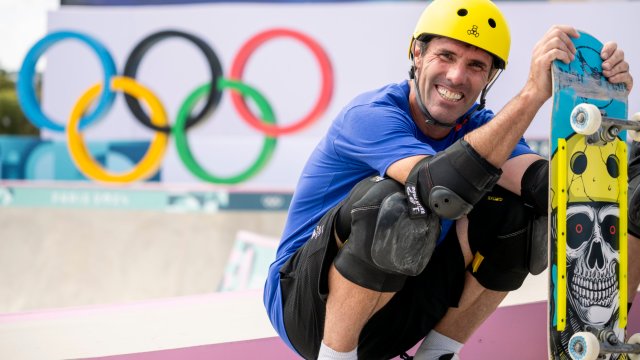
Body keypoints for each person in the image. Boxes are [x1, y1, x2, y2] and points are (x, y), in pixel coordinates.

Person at [263, 0, 634, 359]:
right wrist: (534, 94)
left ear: (489, 78)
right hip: (307, 309)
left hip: (393, 318)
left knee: (517, 214)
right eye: (446, 56)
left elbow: (552, 189)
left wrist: (598, 105)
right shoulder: (370, 115)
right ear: (417, 54)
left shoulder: (481, 129)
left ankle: (438, 355)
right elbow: (439, 189)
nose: (457, 77)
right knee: (396, 202)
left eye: (475, 65)